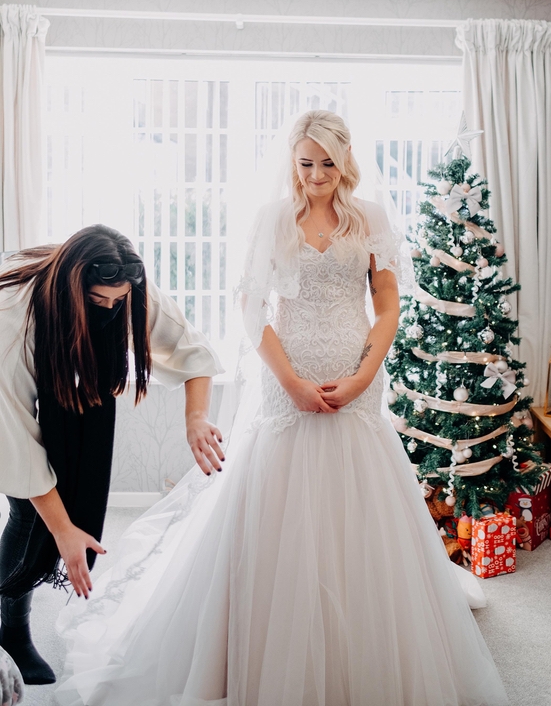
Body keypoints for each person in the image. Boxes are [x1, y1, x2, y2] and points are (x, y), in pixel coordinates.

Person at [55, 112, 508, 705]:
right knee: (277, 503)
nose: (316, 175)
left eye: (327, 163)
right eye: (305, 162)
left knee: (360, 504)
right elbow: (250, 307)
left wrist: (362, 376)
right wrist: (291, 381)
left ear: (344, 161)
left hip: (355, 379)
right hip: (285, 380)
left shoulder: (370, 216)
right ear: (291, 163)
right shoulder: (274, 218)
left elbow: (388, 303)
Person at [0, 225, 224, 686]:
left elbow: (191, 350)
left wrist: (195, 418)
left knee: (41, 507)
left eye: (115, 303)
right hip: (3, 397)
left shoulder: (125, 288)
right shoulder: (14, 320)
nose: (108, 311)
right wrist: (63, 531)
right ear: (70, 287)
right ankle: (12, 634)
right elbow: (19, 448)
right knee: (27, 512)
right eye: (97, 302)